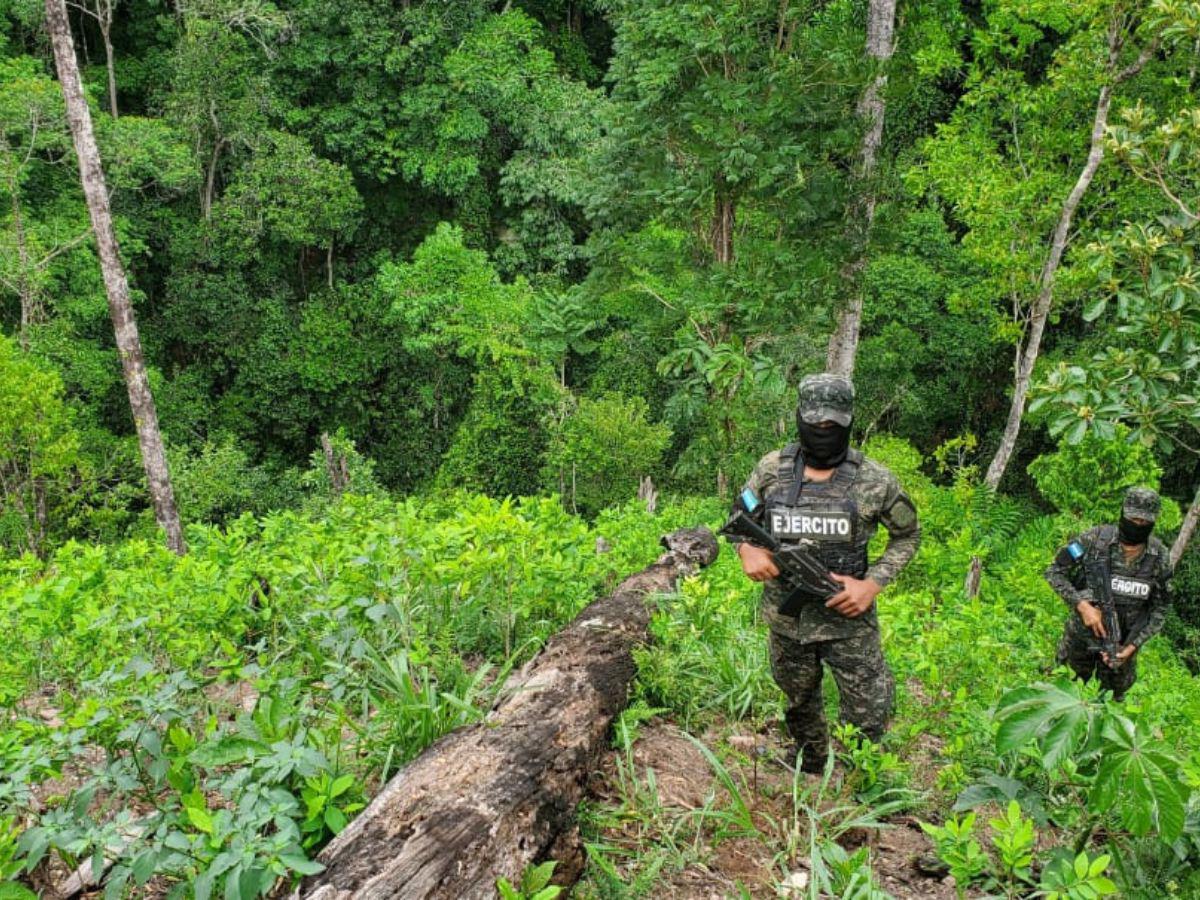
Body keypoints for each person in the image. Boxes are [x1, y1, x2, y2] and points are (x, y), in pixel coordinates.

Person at [728, 374, 921, 773]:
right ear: (799, 418)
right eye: (815, 426)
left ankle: (859, 777)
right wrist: (747, 549)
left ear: (848, 422)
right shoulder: (770, 471)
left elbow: (908, 536)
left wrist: (872, 584)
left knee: (869, 708)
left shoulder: (875, 480)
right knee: (798, 700)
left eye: (832, 427)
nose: (823, 433)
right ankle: (810, 760)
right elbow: (738, 521)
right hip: (788, 619)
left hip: (849, 620)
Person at [1045, 486, 1174, 701]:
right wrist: (1082, 606)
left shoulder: (1159, 557)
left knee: (1108, 708)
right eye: (1134, 518)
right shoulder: (1093, 540)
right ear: (1123, 512)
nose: (1138, 525)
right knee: (1062, 697)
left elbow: (1160, 608)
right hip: (1080, 642)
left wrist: (1132, 646)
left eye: (1144, 521)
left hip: (1121, 648)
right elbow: (1054, 571)